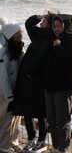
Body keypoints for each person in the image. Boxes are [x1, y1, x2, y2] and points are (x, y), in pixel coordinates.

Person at [13, 14, 52, 152]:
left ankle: (41, 140)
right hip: (27, 79)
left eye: (45, 20)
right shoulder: (38, 34)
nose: (42, 22)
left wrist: (30, 71)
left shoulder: (52, 37)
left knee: (41, 112)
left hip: (39, 80)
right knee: (27, 111)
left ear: (50, 24)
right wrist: (39, 16)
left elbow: (42, 59)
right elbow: (29, 23)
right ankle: (31, 139)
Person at [44, 14, 72, 153]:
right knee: (51, 119)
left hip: (63, 88)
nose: (57, 29)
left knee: (63, 119)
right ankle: (55, 147)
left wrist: (58, 48)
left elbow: (70, 65)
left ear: (67, 26)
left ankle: (63, 148)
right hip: (50, 86)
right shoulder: (54, 39)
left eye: (59, 26)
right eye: (55, 26)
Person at [0, 18, 23, 153]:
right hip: (5, 93)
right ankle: (4, 146)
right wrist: (10, 97)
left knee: (16, 119)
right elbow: (3, 78)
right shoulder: (4, 53)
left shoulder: (17, 48)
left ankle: (13, 142)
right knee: (5, 120)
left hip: (16, 91)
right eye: (18, 33)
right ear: (11, 36)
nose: (21, 34)